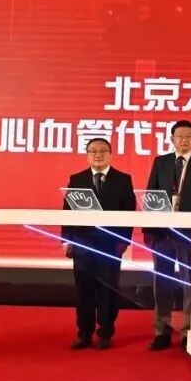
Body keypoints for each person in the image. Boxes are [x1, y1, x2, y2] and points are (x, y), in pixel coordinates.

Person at [144, 120, 191, 351]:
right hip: (162, 233)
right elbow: (151, 195)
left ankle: (188, 332)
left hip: (190, 234)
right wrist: (148, 230)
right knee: (161, 283)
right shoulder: (161, 162)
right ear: (172, 139)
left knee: (190, 283)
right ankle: (161, 331)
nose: (184, 140)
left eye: (188, 136)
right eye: (179, 136)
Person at [61, 137, 136, 350]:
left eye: (103, 150)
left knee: (107, 290)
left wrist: (124, 240)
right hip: (83, 244)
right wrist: (66, 240)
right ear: (87, 155)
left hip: (110, 245)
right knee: (84, 290)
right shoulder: (77, 179)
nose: (98, 154)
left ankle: (105, 333)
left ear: (110, 154)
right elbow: (67, 212)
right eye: (93, 150)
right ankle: (84, 334)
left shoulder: (123, 180)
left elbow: (129, 212)